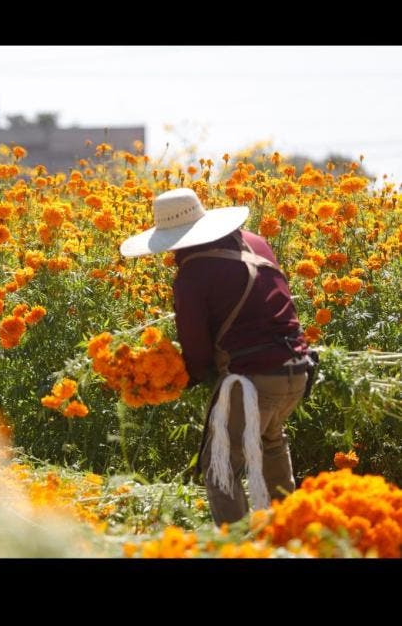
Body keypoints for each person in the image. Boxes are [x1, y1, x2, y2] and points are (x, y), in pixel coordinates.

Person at [120, 187, 311, 526]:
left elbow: (197, 350)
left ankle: (237, 544)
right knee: (271, 444)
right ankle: (290, 533)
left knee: (220, 466)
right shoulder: (256, 242)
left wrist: (177, 377)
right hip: (297, 368)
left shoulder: (193, 275)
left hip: (252, 380)